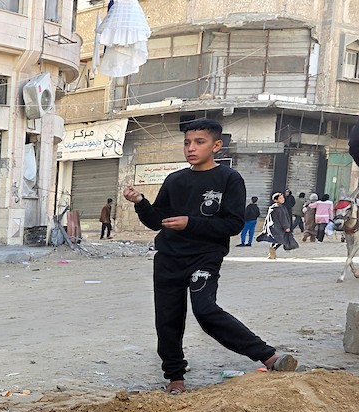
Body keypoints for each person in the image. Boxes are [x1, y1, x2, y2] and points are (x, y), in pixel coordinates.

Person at [122, 118, 297, 395]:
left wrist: (190, 223)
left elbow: (232, 224)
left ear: (216, 145)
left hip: (204, 257)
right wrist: (141, 202)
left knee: (205, 310)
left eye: (199, 142)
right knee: (167, 318)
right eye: (187, 143)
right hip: (168, 257)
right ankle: (175, 377)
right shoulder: (175, 180)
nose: (191, 148)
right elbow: (157, 221)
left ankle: (269, 357)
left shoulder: (229, 179)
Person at [257, 192, 296, 260]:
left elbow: (267, 218)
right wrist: (286, 227)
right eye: (280, 198)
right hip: (279, 227)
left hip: (273, 227)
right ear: (276, 200)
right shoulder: (280, 208)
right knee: (282, 240)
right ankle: (273, 249)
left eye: (283, 198)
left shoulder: (272, 207)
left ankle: (271, 254)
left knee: (275, 239)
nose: (283, 199)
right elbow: (283, 218)